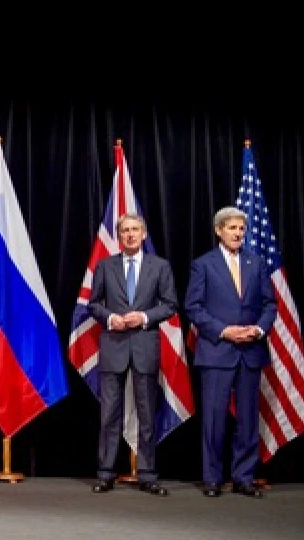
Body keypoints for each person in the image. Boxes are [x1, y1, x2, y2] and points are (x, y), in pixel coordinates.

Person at [185, 205, 276, 499]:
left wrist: (258, 330)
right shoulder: (203, 264)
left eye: (241, 228)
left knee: (248, 419)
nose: (238, 233)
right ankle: (212, 478)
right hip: (217, 350)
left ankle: (243, 477)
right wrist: (224, 330)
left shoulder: (257, 263)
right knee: (214, 418)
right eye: (232, 228)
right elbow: (193, 307)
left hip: (250, 351)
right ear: (219, 230)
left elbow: (269, 304)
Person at [88, 213, 178, 497]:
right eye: (125, 230)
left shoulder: (159, 266)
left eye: (135, 230)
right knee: (108, 415)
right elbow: (93, 304)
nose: (130, 235)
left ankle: (148, 475)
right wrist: (112, 318)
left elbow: (170, 304)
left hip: (144, 347)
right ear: (119, 235)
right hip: (114, 346)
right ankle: (105, 473)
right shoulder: (105, 266)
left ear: (144, 233)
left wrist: (143, 317)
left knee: (147, 415)